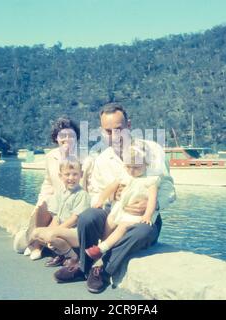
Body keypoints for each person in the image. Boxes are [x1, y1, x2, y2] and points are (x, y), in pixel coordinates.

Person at [53, 103, 176, 293]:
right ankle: (84, 267)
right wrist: (111, 197)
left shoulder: (152, 150)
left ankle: (103, 270)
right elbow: (95, 195)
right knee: (87, 217)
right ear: (102, 132)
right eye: (108, 131)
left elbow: (168, 188)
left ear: (128, 125)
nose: (115, 136)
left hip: (143, 218)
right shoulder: (102, 160)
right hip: (114, 214)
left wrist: (154, 202)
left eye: (118, 129)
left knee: (142, 232)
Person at [13, 117, 94, 260]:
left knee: (51, 227)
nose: (67, 139)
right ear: (56, 138)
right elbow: (48, 184)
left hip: (75, 205)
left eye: (71, 135)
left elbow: (92, 188)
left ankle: (34, 243)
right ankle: (37, 245)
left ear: (77, 138)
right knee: (42, 207)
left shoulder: (87, 159)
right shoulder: (51, 156)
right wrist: (40, 203)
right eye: (63, 135)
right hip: (57, 204)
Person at [85, 142, 160, 260]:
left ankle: (102, 249)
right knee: (110, 220)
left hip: (136, 214)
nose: (132, 170)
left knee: (123, 227)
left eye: (136, 167)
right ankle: (103, 243)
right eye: (128, 166)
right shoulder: (124, 176)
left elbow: (152, 200)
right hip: (121, 209)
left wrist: (147, 215)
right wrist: (101, 200)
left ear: (146, 165)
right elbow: (110, 188)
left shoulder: (150, 181)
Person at [27, 158, 91, 267]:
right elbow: (56, 216)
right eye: (67, 174)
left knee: (51, 235)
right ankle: (61, 253)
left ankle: (73, 257)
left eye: (75, 174)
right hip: (62, 229)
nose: (71, 178)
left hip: (75, 232)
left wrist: (56, 231)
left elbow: (75, 218)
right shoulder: (61, 194)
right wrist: (52, 230)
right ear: (61, 176)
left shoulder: (82, 194)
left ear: (81, 175)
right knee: (35, 233)